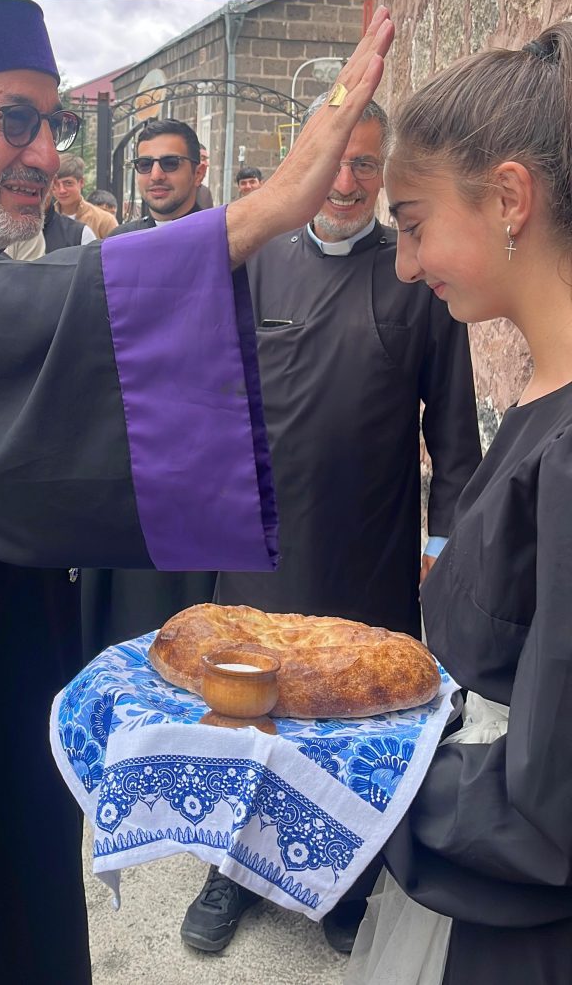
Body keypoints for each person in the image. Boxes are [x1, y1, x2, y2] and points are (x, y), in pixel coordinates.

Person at [0, 0, 394, 985]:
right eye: (16, 120)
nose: (44, 153)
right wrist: (257, 215)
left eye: (57, 124)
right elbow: (7, 317)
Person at [181, 97, 482, 957]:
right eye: (335, 161)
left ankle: (342, 876)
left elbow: (454, 433)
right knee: (249, 707)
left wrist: (442, 543)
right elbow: (208, 396)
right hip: (261, 546)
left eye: (365, 164)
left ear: (383, 171)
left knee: (352, 716)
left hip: (370, 544)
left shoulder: (417, 278)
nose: (346, 182)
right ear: (305, 157)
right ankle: (232, 868)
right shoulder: (257, 262)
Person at [343, 22, 572, 985]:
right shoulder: (538, 393)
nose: (404, 263)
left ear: (509, 197)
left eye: (413, 222)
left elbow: (552, 803)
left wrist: (341, 778)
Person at [82, 118, 217, 657]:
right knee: (122, 614)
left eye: (170, 163)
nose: (156, 174)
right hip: (127, 452)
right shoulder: (118, 245)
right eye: (145, 164)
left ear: (198, 170)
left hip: (199, 461)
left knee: (189, 614)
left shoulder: (227, 241)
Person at [52, 152, 117, 238]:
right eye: (55, 184)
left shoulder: (104, 221)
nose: (62, 190)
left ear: (81, 182)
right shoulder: (44, 220)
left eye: (68, 183)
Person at [196, 142, 214, 208]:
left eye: (206, 159)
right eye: (202, 159)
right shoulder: (177, 191)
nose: (207, 164)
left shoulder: (205, 193)